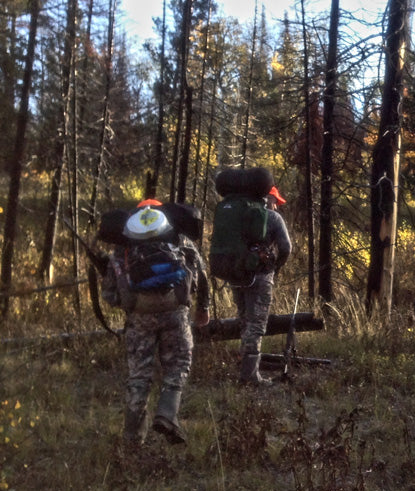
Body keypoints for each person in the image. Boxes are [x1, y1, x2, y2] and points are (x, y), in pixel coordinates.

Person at [102, 200, 210, 445]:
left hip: (139, 317)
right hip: (175, 312)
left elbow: (109, 295)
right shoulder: (180, 240)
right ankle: (167, 414)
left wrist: (132, 304)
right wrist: (203, 307)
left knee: (139, 375)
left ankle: (132, 439)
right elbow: (201, 275)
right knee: (179, 363)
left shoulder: (123, 248)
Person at [233, 185, 292, 385]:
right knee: (256, 324)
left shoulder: (239, 215)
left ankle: (245, 368)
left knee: (244, 320)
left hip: (238, 275)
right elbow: (286, 247)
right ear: (270, 199)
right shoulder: (274, 219)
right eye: (276, 201)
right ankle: (250, 377)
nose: (276, 205)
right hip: (261, 276)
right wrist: (276, 268)